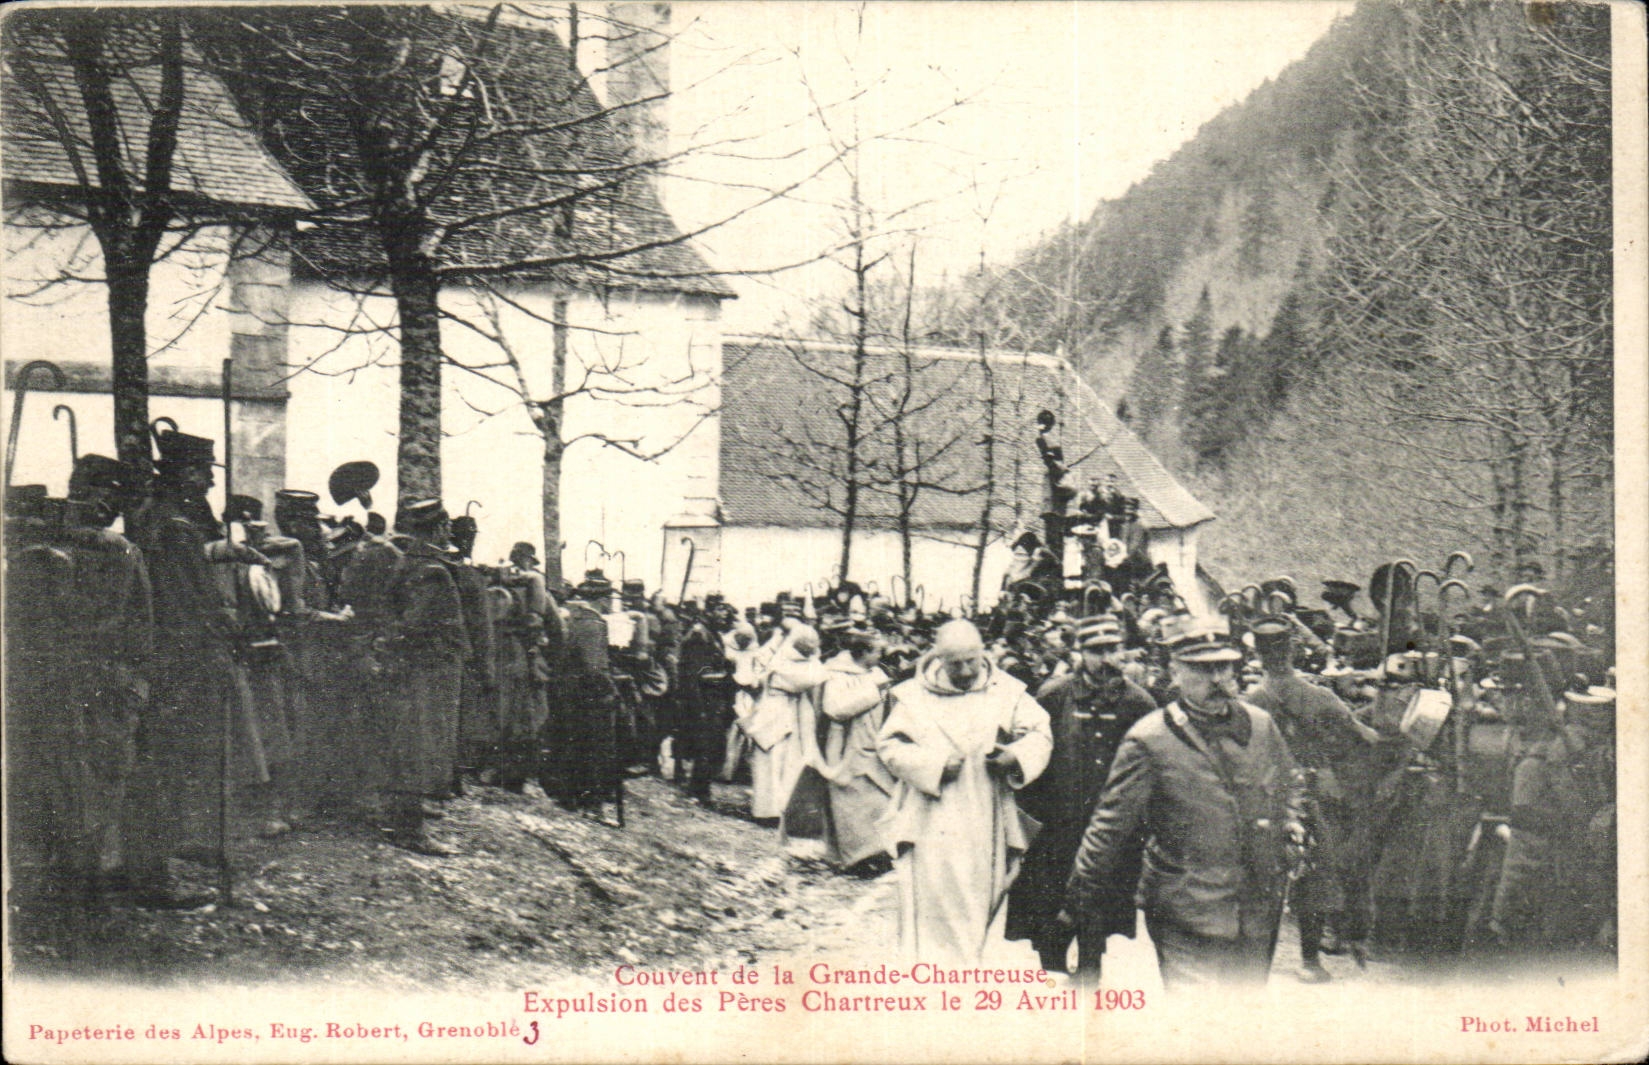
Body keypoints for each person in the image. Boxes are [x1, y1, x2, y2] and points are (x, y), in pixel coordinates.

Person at [1064, 614, 1301, 989]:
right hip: (1186, 908)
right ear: (1174, 671)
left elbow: (1292, 783)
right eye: (1202, 669)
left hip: (1256, 908)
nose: (1217, 679)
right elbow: (1109, 826)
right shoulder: (1149, 739)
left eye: (1224, 666)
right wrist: (1080, 895)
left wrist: (1292, 823)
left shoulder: (1260, 725)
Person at [5, 454, 154, 915]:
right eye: (113, 496)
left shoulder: (31, 542)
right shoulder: (120, 550)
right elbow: (140, 626)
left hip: (42, 683)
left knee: (50, 780)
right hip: (105, 683)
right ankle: (91, 892)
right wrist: (138, 683)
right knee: (102, 783)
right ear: (101, 496)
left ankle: (44, 886)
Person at [125, 426, 257, 907]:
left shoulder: (155, 517)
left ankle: (153, 860)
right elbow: (191, 602)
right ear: (184, 474)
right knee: (169, 764)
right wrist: (227, 631)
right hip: (183, 660)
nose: (210, 482)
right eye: (203, 473)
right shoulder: (176, 527)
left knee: (160, 762)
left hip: (166, 656)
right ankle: (150, 876)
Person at [877, 619, 1052, 964]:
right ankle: (937, 972)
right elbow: (889, 746)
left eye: (971, 661)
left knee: (982, 897)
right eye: (955, 664)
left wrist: (1014, 756)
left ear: (982, 653)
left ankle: (972, 970)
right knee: (935, 902)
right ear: (939, 659)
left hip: (986, 814)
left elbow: (1040, 733)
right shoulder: (913, 696)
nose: (966, 671)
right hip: (931, 816)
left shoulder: (1007, 691)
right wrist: (933, 765)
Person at [1008, 614, 1155, 977]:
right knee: (1048, 916)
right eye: (1096, 651)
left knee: (1097, 917)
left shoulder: (1139, 703)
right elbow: (1032, 755)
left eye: (1112, 650)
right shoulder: (1054, 696)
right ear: (1080, 652)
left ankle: (1089, 978)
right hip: (1057, 828)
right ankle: (1053, 976)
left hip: (1109, 832)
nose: (1106, 659)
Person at [1244, 616, 1379, 980]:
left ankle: (1253, 962)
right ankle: (1309, 962)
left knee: (1259, 874)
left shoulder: (1251, 701)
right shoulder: (1319, 696)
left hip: (1265, 793)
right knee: (1314, 876)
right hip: (1311, 792)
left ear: (1258, 655)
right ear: (1292, 650)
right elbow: (1364, 738)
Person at [375, 500, 468, 855]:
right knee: (419, 746)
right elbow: (413, 624)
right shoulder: (433, 570)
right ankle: (409, 830)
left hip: (415, 667)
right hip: (428, 669)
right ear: (440, 529)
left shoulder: (408, 561)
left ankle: (400, 818)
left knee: (409, 743)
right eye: (447, 528)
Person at [813, 626, 895, 874]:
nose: (881, 656)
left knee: (878, 797)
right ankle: (857, 857)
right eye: (877, 651)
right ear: (863, 652)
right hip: (846, 744)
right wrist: (873, 692)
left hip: (872, 740)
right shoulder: (836, 674)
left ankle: (875, 851)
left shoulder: (876, 672)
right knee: (850, 799)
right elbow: (834, 708)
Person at [745, 623, 827, 823]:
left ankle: (781, 808)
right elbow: (812, 678)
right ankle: (768, 810)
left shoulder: (793, 658)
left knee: (785, 762)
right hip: (776, 710)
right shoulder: (787, 661)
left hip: (789, 711)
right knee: (772, 760)